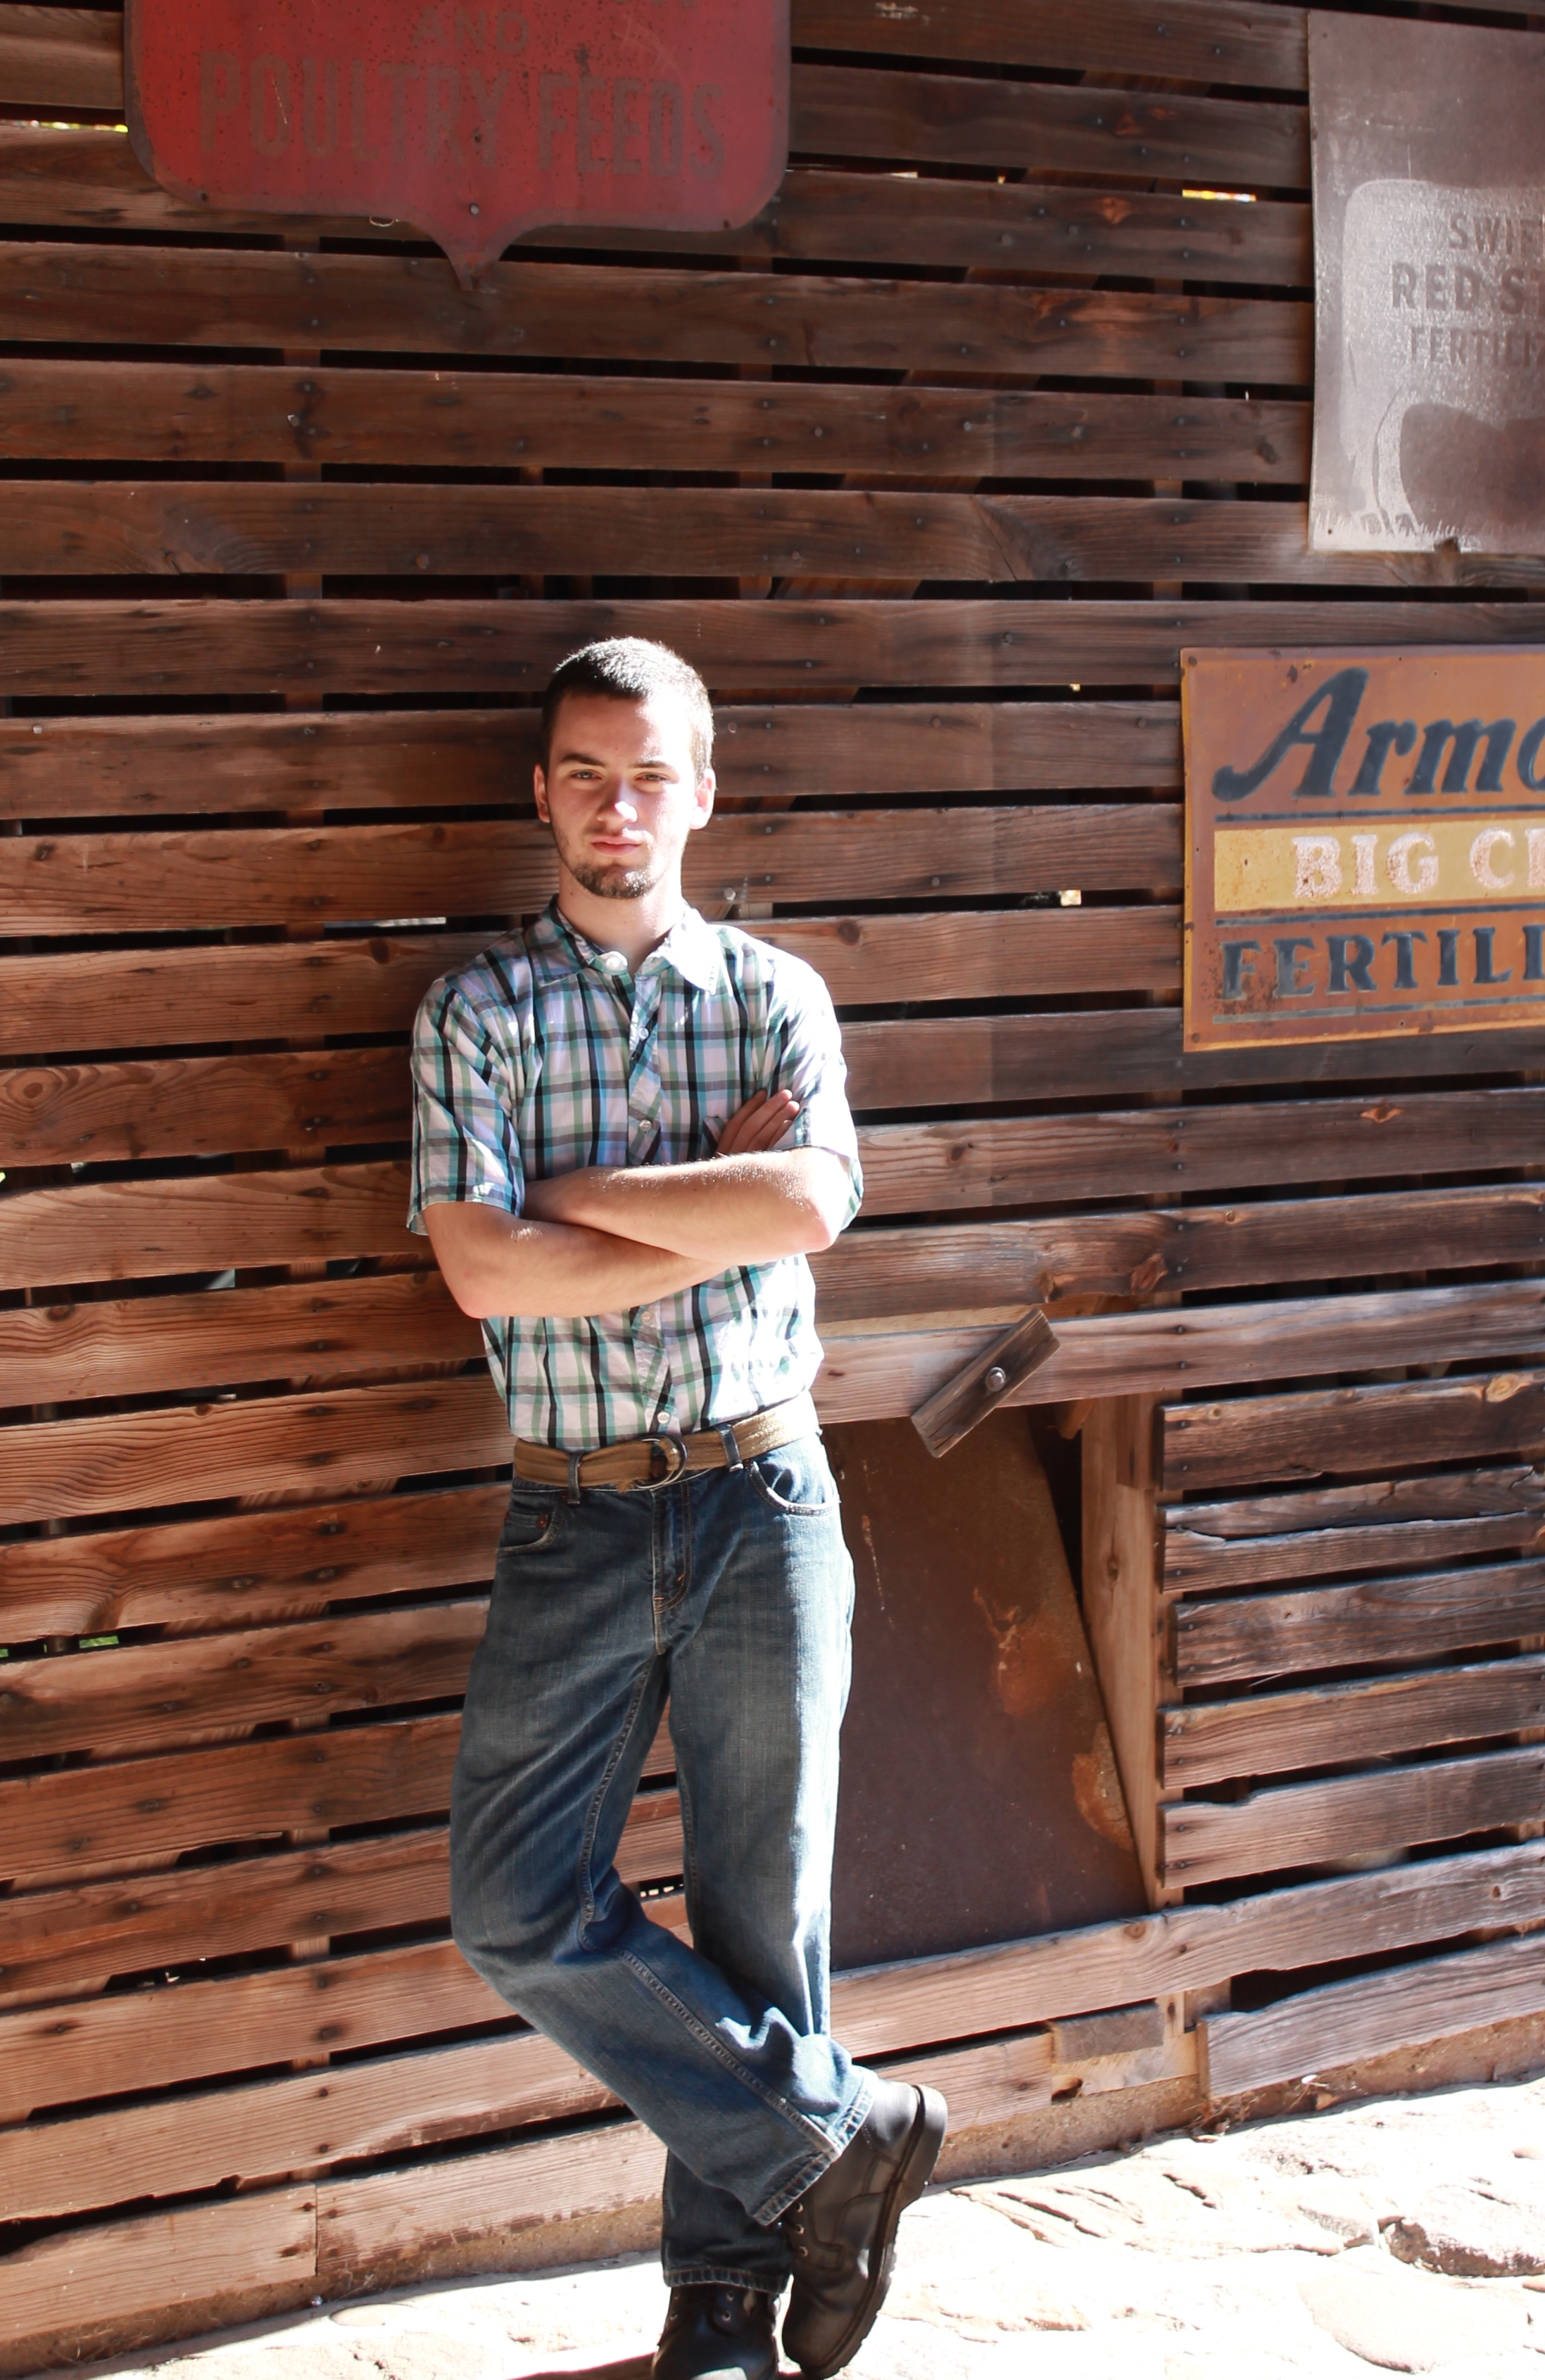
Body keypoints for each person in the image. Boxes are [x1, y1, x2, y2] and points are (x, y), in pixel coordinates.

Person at [410, 636, 944, 2380]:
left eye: (649, 775)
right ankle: (838, 2138)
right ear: (542, 792)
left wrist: (574, 1194)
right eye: (586, 773)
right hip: (569, 1515)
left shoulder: (777, 997)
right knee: (510, 1903)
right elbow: (484, 1273)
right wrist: (688, 1199)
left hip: (759, 1494)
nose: (617, 806)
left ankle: (719, 2304)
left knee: (757, 1910)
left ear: (701, 793)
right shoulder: (478, 1013)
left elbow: (805, 1208)